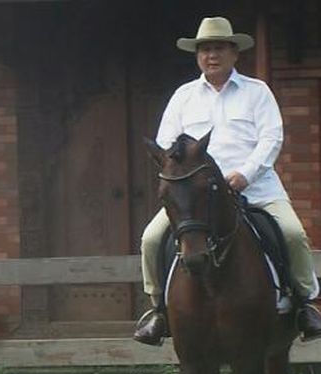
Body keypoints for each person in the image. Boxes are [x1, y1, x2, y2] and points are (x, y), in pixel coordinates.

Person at [133, 16, 321, 346]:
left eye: (218, 48)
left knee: (293, 234)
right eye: (204, 49)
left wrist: (245, 174)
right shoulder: (184, 96)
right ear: (197, 55)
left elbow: (271, 138)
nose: (211, 55)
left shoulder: (256, 92)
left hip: (256, 188)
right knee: (151, 239)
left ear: (234, 53)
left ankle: (306, 304)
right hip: (196, 196)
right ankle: (158, 310)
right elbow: (167, 146)